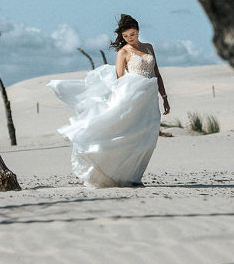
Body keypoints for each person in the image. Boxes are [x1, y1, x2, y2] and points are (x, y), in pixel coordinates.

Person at [48, 14, 170, 187]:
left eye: (132, 34)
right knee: (125, 134)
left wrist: (164, 97)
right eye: (126, 36)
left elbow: (156, 73)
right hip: (131, 95)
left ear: (138, 31)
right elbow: (120, 78)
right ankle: (114, 174)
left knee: (145, 138)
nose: (130, 38)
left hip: (149, 97)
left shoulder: (149, 47)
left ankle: (133, 176)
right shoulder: (123, 52)